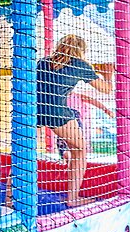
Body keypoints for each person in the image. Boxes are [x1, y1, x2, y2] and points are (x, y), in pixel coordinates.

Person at [37, 34, 112, 208]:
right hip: (56, 112)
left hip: (33, 110)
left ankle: (10, 197)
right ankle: (73, 198)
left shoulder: (43, 62)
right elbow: (106, 90)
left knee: (24, 153)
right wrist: (108, 75)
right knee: (80, 150)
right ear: (81, 50)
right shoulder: (80, 64)